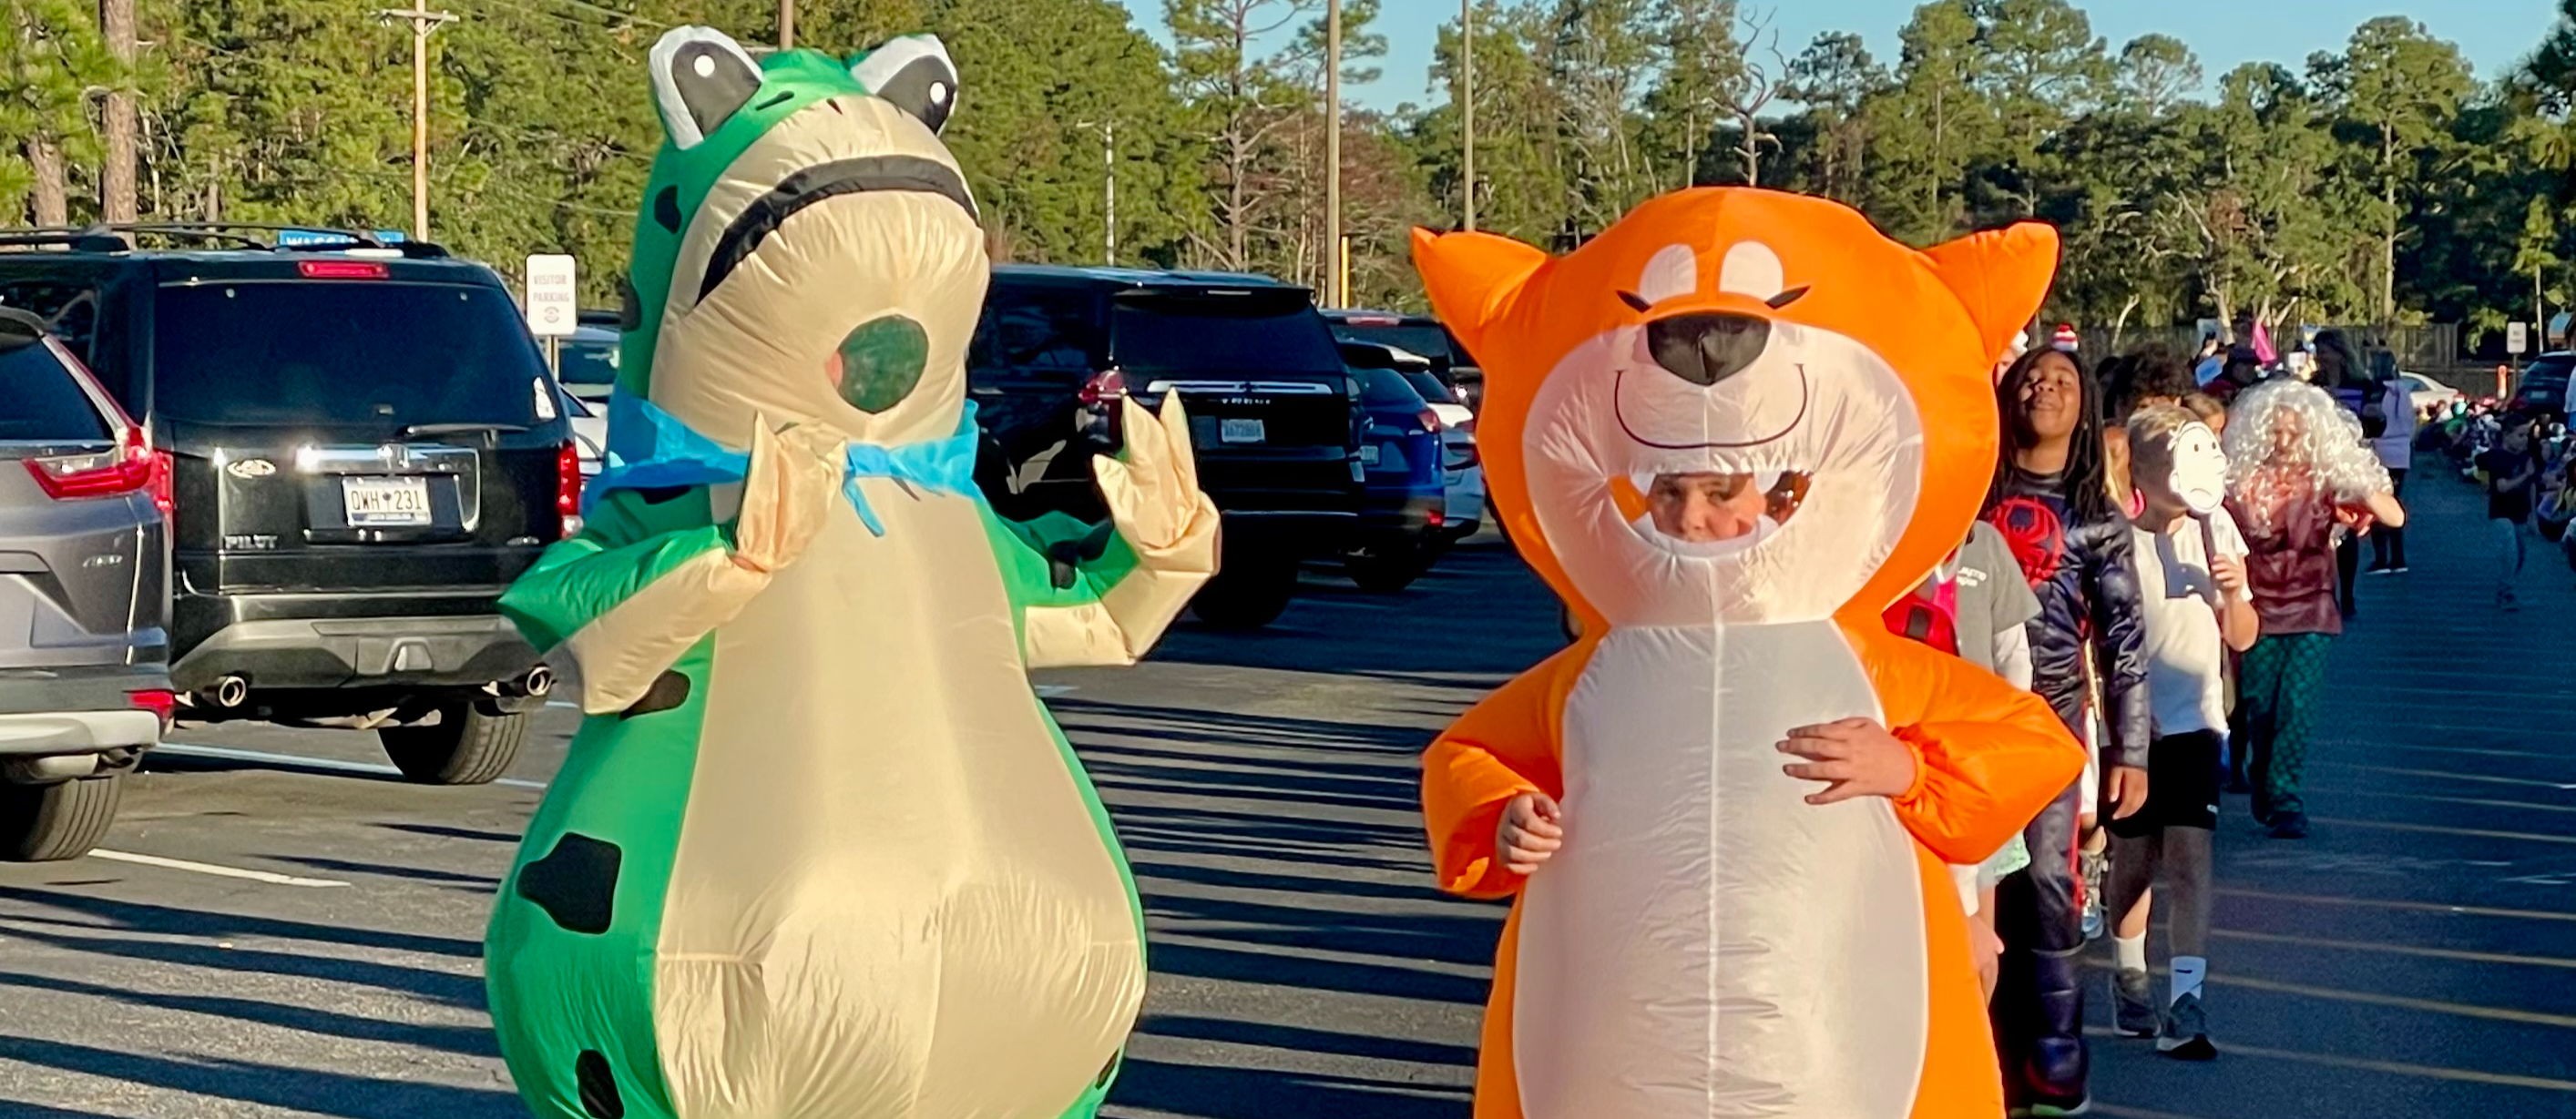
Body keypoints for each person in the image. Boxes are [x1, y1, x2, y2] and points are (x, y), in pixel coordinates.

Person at [1981, 346, 2152, 1118]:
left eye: (2062, 379)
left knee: (2047, 888)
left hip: (2049, 728)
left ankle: (2054, 1054)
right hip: (1958, 720)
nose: (2044, 386)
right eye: (2030, 376)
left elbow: (2124, 641)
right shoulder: (1962, 498)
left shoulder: (2097, 518)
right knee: (1968, 898)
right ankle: (1974, 1051)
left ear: (2085, 408)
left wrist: (2133, 750)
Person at [2106, 405, 2260, 1061]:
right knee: (2134, 863)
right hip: (2133, 728)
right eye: (2167, 456)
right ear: (2140, 468)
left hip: (2198, 720)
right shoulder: (2112, 539)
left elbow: (2244, 636)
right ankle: (2129, 974)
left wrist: (2232, 593)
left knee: (2192, 859)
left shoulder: (2217, 527)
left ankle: (2187, 1002)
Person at [2224, 380, 2405, 839]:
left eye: (2293, 433)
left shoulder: (2326, 481)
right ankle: (2266, 785)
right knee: (2260, 709)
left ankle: (2286, 798)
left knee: (2297, 707)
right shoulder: (2242, 481)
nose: (2283, 442)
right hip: (2258, 609)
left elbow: (2394, 517)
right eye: (2276, 432)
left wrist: (2358, 482)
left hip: (2312, 609)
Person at [1884, 522, 2045, 1002]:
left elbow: (2013, 653)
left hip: (1975, 759)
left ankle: (1977, 1032)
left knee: (1977, 923)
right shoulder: (1887, 537)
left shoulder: (1985, 545)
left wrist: (2009, 734)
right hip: (1901, 753)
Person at [2478, 417, 2543, 611]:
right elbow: (2502, 487)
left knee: (2521, 555)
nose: (2524, 440)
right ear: (2507, 436)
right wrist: (2524, 474)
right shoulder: (2499, 457)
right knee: (2510, 553)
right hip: (2501, 513)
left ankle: (2507, 588)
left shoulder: (2525, 457)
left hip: (2520, 513)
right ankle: (2506, 593)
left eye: (2526, 435)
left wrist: (2534, 516)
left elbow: (2531, 485)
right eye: (2520, 435)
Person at [2366, 367, 2418, 574]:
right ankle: (2398, 558)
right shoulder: (2403, 394)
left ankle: (2381, 559)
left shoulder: (2376, 393)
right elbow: (2411, 423)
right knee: (2394, 502)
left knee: (2377, 503)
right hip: (2400, 454)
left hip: (2380, 450)